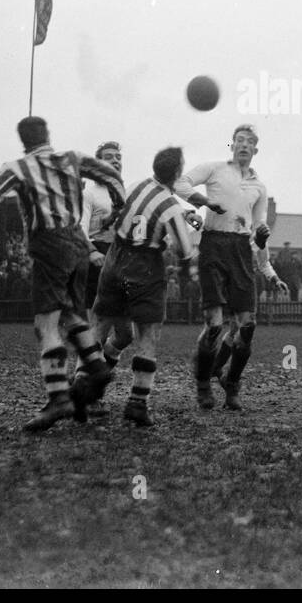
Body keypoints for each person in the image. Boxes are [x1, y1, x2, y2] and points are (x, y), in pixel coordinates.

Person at [0, 116, 125, 432]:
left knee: (46, 324)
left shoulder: (17, 167)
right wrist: (117, 211)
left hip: (49, 244)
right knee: (71, 313)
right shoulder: (73, 157)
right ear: (47, 135)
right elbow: (112, 177)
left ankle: (58, 399)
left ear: (23, 140)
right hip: (77, 244)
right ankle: (96, 365)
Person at [173, 124, 287, 411]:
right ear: (232, 145)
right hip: (213, 246)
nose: (244, 145)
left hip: (240, 251)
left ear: (255, 149)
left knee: (247, 326)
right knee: (214, 325)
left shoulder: (258, 187)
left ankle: (231, 383)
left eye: (249, 141)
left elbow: (257, 229)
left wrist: (269, 271)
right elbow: (180, 183)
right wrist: (204, 201)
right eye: (239, 140)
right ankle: (202, 384)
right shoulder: (214, 169)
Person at [93, 146, 197, 426]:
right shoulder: (170, 206)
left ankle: (83, 387)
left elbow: (119, 211)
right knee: (147, 334)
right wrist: (188, 270)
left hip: (115, 258)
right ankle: (138, 401)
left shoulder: (137, 185)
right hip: (145, 266)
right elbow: (184, 250)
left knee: (101, 324)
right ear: (176, 173)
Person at [77, 140, 126, 419]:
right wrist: (92, 252)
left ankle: (93, 376)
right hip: (97, 259)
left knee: (126, 334)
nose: (115, 161)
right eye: (109, 157)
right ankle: (88, 392)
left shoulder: (124, 194)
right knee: (99, 328)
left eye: (118, 157)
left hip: (122, 261)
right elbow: (80, 228)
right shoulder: (89, 193)